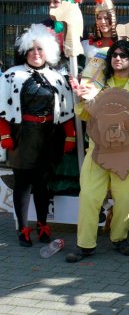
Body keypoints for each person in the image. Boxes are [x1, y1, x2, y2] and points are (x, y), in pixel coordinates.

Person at [66, 40, 129, 262]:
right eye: (114, 55)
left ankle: (119, 238)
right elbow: (85, 115)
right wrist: (81, 97)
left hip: (128, 152)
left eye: (123, 55)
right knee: (88, 196)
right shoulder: (97, 83)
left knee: (124, 198)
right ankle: (85, 245)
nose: (118, 58)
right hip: (98, 150)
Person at [0, 24, 75, 247]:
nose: (36, 53)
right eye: (32, 49)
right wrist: (4, 136)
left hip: (48, 135)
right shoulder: (12, 75)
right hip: (22, 136)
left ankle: (43, 225)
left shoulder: (56, 77)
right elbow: (2, 108)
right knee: (23, 183)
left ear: (48, 52)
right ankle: (23, 228)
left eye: (40, 49)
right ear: (25, 51)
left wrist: (70, 136)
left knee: (43, 183)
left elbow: (68, 109)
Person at [44, 0, 84, 75]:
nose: (51, 5)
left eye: (55, 2)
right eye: (50, 1)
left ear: (67, 3)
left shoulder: (78, 26)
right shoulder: (44, 27)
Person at [80, 0, 119, 94]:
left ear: (113, 18)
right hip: (91, 94)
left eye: (106, 18)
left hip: (116, 93)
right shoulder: (86, 44)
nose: (103, 22)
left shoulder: (123, 43)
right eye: (99, 18)